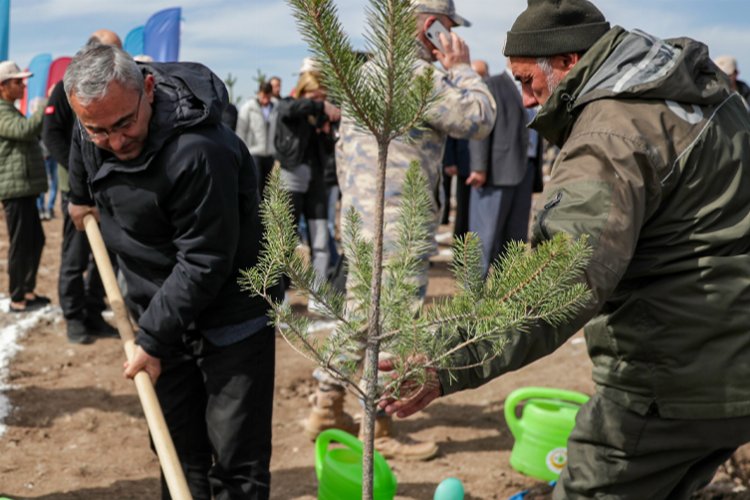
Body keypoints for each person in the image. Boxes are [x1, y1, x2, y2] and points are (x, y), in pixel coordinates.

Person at [381, 0, 750, 497]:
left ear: (569, 62)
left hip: (677, 377)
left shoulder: (609, 135)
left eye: (528, 81)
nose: (528, 101)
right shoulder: (706, 97)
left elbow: (560, 282)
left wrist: (445, 359)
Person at [64, 44, 277, 499]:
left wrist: (151, 339)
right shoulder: (96, 121)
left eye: (125, 124)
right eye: (99, 129)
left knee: (237, 460)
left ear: (148, 88)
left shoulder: (200, 151)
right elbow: (81, 145)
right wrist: (79, 193)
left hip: (232, 309)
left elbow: (204, 260)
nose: (117, 142)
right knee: (177, 454)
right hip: (159, 303)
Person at [311, 0, 495, 461]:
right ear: (430, 26)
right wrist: (462, 68)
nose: (449, 38)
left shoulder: (369, 70)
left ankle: (326, 403)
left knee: (359, 311)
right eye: (447, 29)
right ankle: (379, 428)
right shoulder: (417, 75)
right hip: (398, 220)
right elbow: (478, 116)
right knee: (391, 323)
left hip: (360, 217)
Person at [42, 29, 121, 344]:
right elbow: (52, 136)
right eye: (113, 51)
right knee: (75, 257)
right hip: (76, 191)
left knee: (110, 255)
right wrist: (79, 174)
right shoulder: (66, 88)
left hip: (109, 191)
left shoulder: (117, 88)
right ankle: (74, 317)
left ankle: (93, 311)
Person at [274, 69, 340, 308]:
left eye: (323, 97)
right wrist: (318, 107)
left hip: (317, 180)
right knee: (285, 241)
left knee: (321, 239)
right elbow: (291, 110)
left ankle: (318, 295)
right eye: (315, 96)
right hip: (291, 178)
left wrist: (326, 131)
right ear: (303, 91)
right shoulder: (289, 105)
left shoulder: (320, 117)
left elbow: (328, 148)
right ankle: (279, 296)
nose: (320, 101)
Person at [467, 61, 531, 276]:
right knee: (483, 242)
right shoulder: (492, 85)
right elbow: (480, 127)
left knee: (514, 243)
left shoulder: (534, 87)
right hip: (494, 174)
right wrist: (478, 166)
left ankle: (507, 300)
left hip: (524, 172)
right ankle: (473, 303)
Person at [0, 61, 50, 313]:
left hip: (24, 187)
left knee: (35, 240)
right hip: (15, 189)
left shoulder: (10, 109)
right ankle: (17, 297)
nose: (23, 85)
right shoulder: (1, 112)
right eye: (17, 82)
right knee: (21, 244)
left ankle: (27, 291)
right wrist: (43, 110)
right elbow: (24, 131)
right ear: (2, 87)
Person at [236, 80, 276, 198]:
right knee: (256, 185)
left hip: (269, 153)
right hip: (253, 152)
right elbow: (241, 130)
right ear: (259, 93)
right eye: (264, 96)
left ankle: (266, 214)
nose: (266, 100)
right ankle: (255, 213)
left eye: (268, 97)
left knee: (267, 188)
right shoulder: (248, 107)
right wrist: (242, 152)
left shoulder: (275, 107)